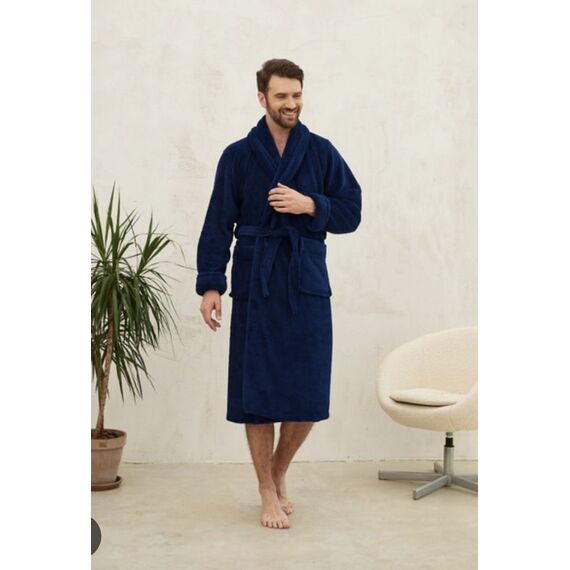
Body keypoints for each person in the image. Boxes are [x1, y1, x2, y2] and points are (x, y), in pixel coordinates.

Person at [196, 58, 362, 529]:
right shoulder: (238, 156)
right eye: (282, 96)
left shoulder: (321, 152)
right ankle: (266, 490)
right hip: (257, 282)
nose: (291, 103)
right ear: (262, 98)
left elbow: (351, 211)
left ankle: (278, 470)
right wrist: (211, 284)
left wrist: (311, 205)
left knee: (308, 391)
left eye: (297, 94)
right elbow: (217, 222)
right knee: (258, 392)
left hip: (305, 281)